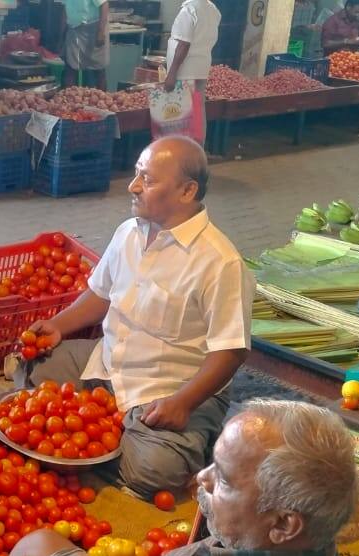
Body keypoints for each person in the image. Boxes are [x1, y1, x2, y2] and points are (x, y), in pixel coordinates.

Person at [16, 136, 254, 498]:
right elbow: (100, 294)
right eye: (136, 174)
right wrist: (59, 326)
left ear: (187, 192)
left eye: (148, 179)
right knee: (35, 369)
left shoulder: (220, 262)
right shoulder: (128, 232)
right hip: (111, 361)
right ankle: (120, 437)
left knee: (156, 472)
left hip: (170, 388)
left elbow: (231, 351)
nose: (133, 186)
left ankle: (163, 441)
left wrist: (184, 403)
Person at [4, 399, 357, 556]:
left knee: (36, 544)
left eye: (224, 479)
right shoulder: (314, 551)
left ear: (283, 524)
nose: (202, 478)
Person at [162, 0, 221, 143]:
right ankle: (197, 150)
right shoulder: (213, 10)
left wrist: (171, 74)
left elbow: (184, 44)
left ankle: (182, 152)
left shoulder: (189, 10)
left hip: (185, 72)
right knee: (198, 112)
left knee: (181, 115)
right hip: (200, 68)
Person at [62, 0, 110, 89]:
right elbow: (65, 9)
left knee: (98, 70)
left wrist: (101, 32)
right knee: (70, 67)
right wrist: (62, 33)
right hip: (73, 29)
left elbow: (104, 5)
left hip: (93, 29)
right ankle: (68, 99)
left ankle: (103, 99)